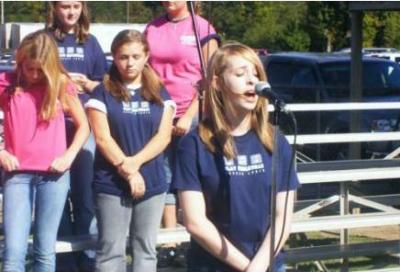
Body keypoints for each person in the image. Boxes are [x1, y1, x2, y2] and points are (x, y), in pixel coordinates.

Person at [172, 43, 300, 272]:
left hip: (268, 264)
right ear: (217, 82)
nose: (252, 81)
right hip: (212, 266)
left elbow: (283, 217)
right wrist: (247, 268)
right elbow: (195, 222)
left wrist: (259, 267)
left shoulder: (276, 141)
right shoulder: (193, 145)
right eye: (241, 74)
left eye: (256, 73)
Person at [85, 29, 175, 272]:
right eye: (123, 56)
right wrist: (128, 171)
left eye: (136, 56)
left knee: (145, 251)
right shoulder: (101, 92)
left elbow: (164, 136)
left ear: (146, 56)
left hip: (152, 182)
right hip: (111, 183)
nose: (130, 63)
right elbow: (102, 139)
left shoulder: (159, 91)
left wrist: (135, 163)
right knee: (110, 253)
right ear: (114, 57)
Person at [0, 30, 89, 272]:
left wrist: (68, 156)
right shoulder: (7, 83)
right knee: (13, 252)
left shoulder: (61, 85)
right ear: (21, 62)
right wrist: (1, 152)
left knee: (45, 250)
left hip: (54, 176)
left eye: (40, 69)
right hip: (17, 174)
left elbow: (84, 127)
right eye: (29, 68)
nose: (34, 75)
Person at [145, 1, 219, 265]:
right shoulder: (152, 28)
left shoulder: (202, 28)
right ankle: (170, 241)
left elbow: (212, 76)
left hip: (193, 112)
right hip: (160, 109)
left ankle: (201, 238)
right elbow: (145, 70)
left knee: (193, 176)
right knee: (163, 174)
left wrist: (190, 114)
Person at [45, 1, 107, 270]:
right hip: (52, 130)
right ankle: (64, 261)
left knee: (85, 196)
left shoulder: (90, 42)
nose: (70, 12)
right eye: (64, 6)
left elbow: (106, 87)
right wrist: (61, 81)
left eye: (75, 6)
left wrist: (88, 84)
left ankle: (87, 258)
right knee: (56, 195)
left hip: (85, 130)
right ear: (54, 8)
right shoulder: (43, 40)